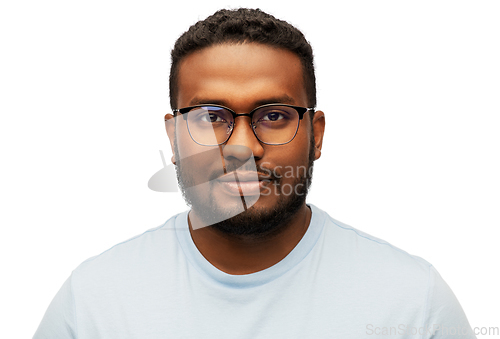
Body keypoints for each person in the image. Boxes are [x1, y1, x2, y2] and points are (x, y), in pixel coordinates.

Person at [34, 8, 475, 338]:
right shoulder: (92, 303)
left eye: (274, 115)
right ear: (173, 140)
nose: (244, 148)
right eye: (210, 117)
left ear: (315, 135)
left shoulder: (414, 303)